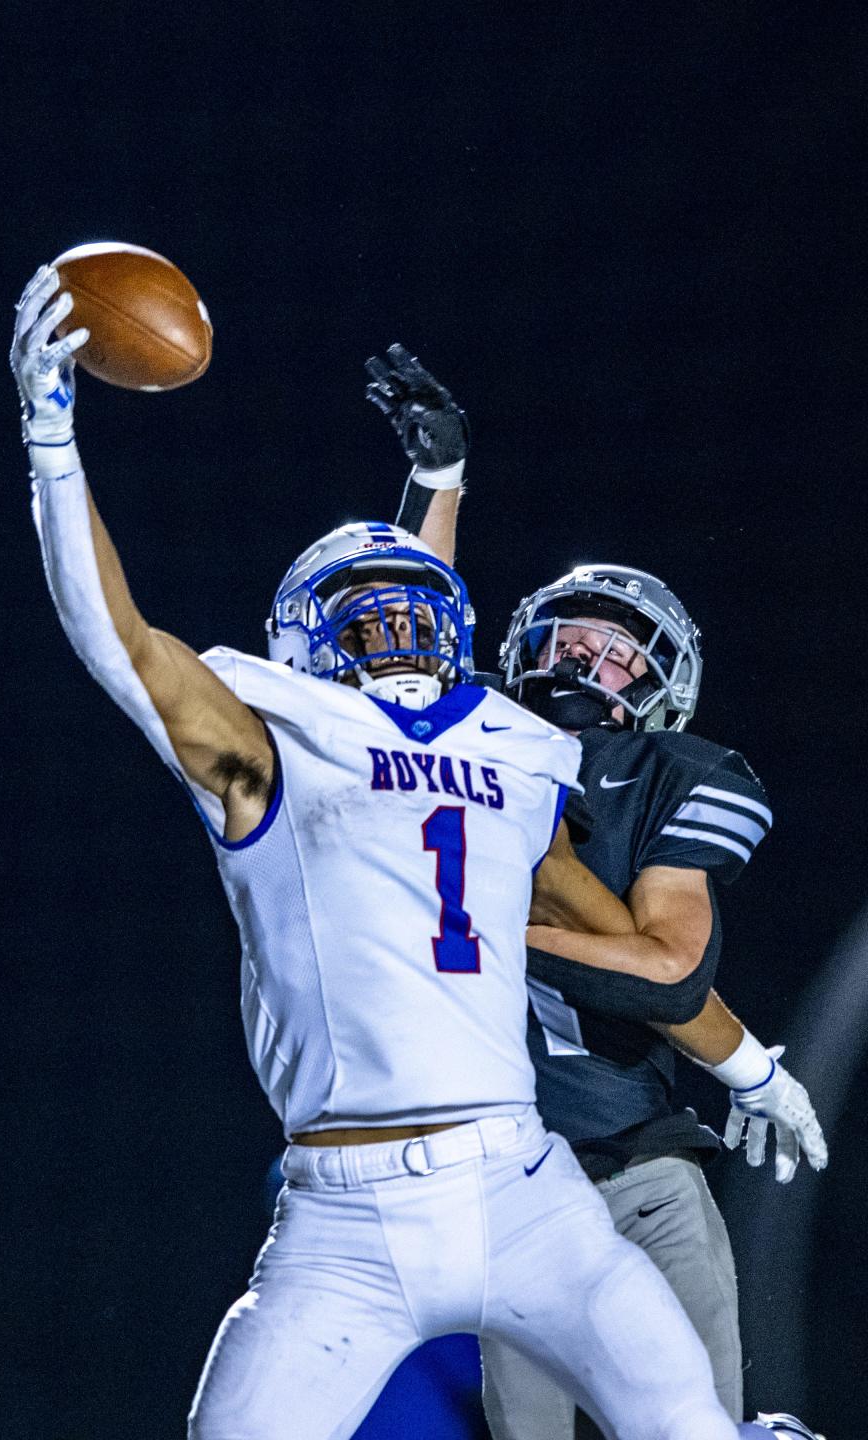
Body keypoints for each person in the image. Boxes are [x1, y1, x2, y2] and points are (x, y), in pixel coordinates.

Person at [10, 265, 747, 1440]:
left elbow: (635, 946)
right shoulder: (280, 741)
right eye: (362, 612)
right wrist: (53, 444)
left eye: (411, 608)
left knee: (698, 1429)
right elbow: (125, 647)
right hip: (345, 1217)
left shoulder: (514, 752)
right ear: (303, 647)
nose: (393, 624)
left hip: (524, 1185)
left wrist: (748, 1061)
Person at [366, 344, 828, 1440]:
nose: (586, 658)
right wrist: (438, 485)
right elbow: (409, 647)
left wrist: (474, 934)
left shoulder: (676, 775)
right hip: (498, 1174)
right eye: (570, 636)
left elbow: (669, 973)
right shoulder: (471, 732)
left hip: (642, 1160)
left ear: (662, 686)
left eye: (619, 652)